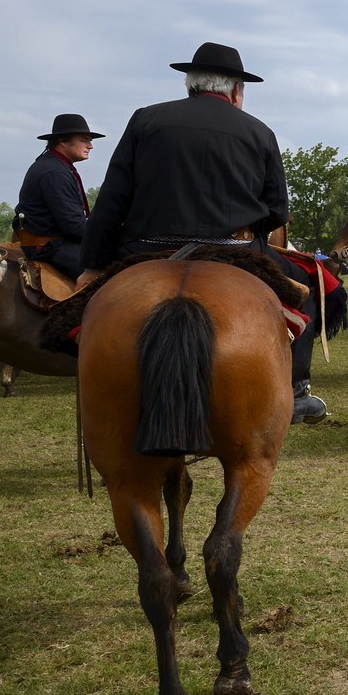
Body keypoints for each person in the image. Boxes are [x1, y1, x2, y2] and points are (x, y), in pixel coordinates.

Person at [76, 41, 327, 424]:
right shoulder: (260, 132)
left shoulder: (145, 120)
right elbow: (278, 209)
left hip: (146, 251)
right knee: (306, 292)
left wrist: (93, 264)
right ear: (237, 90)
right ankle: (297, 392)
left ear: (190, 84)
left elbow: (112, 201)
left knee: (77, 318)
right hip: (236, 252)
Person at [16, 114, 104, 280]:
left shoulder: (55, 166)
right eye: (84, 140)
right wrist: (106, 236)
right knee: (106, 275)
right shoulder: (54, 172)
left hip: (58, 242)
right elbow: (74, 227)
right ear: (63, 141)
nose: (90, 146)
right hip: (50, 246)